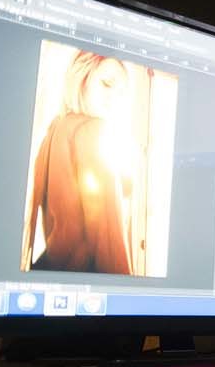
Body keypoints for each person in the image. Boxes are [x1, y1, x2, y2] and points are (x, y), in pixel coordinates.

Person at [23, 50, 134, 275]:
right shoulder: (94, 130)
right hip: (88, 277)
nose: (113, 98)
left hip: (52, 269)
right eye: (107, 84)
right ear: (82, 77)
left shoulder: (54, 130)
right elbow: (109, 240)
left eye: (121, 92)